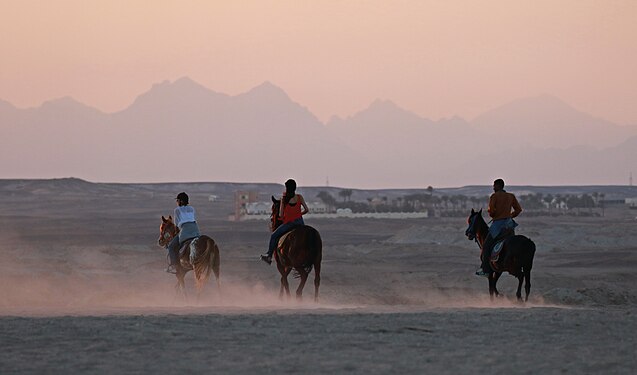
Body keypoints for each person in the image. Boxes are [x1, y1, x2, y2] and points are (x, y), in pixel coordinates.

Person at [476, 178, 522, 276]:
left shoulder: (494, 196)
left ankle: (485, 270)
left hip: (498, 226)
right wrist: (510, 215)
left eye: (494, 185)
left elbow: (491, 211)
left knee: (486, 246)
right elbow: (518, 210)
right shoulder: (511, 196)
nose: (493, 187)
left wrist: (494, 215)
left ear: (498, 186)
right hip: (509, 226)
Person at [260, 179, 309, 265]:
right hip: (300, 223)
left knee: (274, 236)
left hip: (290, 223)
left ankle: (269, 256)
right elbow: (306, 210)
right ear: (295, 188)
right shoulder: (299, 197)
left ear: (287, 188)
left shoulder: (284, 199)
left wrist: (288, 216)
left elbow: (280, 215)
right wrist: (298, 214)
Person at [166, 192, 201, 273]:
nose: (177, 202)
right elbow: (193, 218)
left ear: (181, 201)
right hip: (195, 230)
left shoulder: (177, 210)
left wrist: (177, 231)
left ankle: (173, 265)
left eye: (177, 200)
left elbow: (177, 224)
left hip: (185, 230)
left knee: (171, 246)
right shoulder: (192, 208)